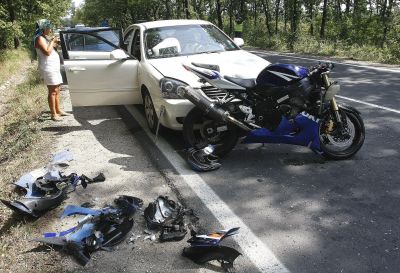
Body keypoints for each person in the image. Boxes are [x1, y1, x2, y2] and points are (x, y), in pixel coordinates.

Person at [33, 19, 69, 121]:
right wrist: (52, 41)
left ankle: (58, 110)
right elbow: (47, 52)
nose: (50, 29)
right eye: (49, 27)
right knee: (52, 91)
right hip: (48, 68)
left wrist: (55, 43)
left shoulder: (44, 38)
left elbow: (52, 49)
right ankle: (53, 114)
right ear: (43, 28)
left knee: (58, 89)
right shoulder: (39, 38)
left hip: (54, 67)